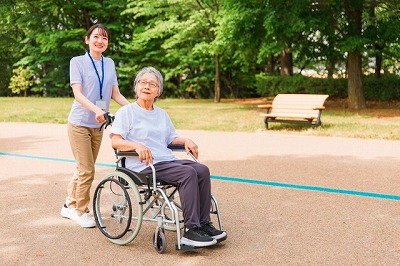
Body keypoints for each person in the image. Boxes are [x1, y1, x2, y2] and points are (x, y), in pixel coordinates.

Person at [109, 66, 227, 247]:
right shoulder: (127, 112)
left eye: (152, 84)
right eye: (143, 82)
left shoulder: (161, 114)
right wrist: (136, 145)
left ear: (158, 91)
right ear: (136, 87)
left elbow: (171, 139)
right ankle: (191, 230)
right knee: (187, 174)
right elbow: (116, 141)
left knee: (202, 170)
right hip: (143, 165)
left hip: (165, 161)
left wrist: (186, 140)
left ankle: (204, 224)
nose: (147, 86)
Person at [61, 24, 130, 228]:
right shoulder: (78, 62)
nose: (100, 41)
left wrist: (134, 109)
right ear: (87, 39)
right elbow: (78, 94)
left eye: (105, 38)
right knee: (87, 170)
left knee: (83, 168)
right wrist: (97, 110)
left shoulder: (109, 64)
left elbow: (114, 93)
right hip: (80, 123)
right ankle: (80, 211)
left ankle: (68, 204)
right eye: (96, 37)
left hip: (98, 126)